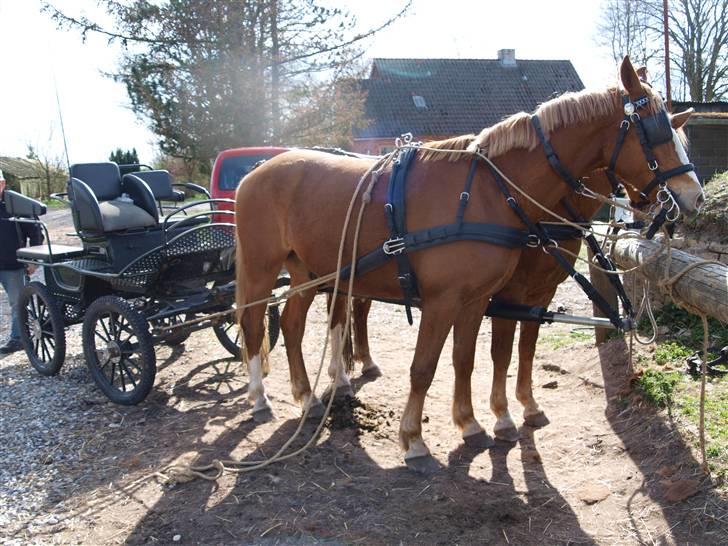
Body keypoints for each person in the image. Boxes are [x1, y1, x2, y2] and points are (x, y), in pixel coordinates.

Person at [0, 169, 42, 354]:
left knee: (17, 302)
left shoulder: (16, 206)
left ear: (2, 184)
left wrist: (32, 259)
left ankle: (19, 338)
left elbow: (35, 232)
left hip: (12, 264)